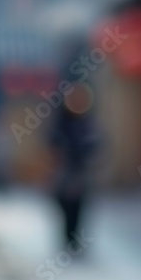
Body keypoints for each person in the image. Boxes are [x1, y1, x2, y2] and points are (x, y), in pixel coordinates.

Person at [48, 82, 99, 248]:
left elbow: (96, 143)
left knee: (79, 206)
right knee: (65, 205)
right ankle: (67, 236)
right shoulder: (62, 122)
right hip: (64, 173)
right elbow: (52, 143)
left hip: (81, 172)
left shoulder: (87, 122)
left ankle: (74, 238)